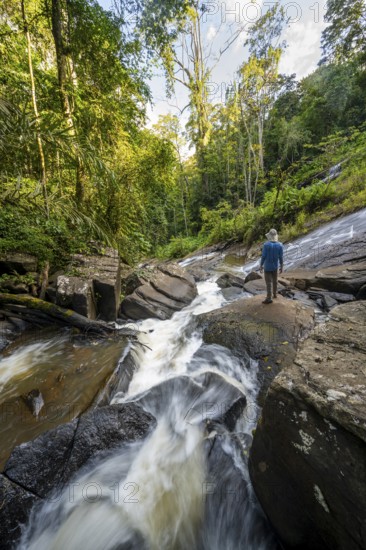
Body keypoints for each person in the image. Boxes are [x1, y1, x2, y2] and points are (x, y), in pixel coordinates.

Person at [259, 228, 284, 304]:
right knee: (275, 281)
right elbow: (281, 257)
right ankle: (275, 294)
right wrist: (281, 266)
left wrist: (261, 265)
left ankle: (269, 298)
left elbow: (263, 256)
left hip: (267, 267)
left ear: (269, 236)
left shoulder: (266, 245)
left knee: (268, 282)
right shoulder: (280, 245)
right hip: (275, 266)